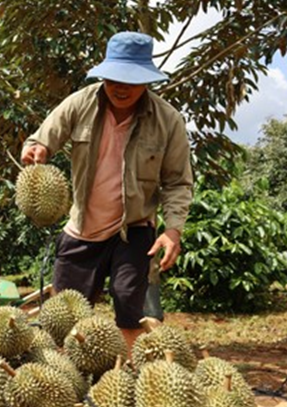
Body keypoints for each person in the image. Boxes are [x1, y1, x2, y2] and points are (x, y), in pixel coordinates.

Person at [21, 31, 193, 349]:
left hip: (134, 228)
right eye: (114, 77)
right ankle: (67, 379)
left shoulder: (168, 120)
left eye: (131, 79)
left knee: (130, 306)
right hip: (83, 227)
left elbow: (177, 182)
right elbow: (42, 138)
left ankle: (126, 370)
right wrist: (37, 149)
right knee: (64, 315)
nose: (120, 87)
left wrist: (173, 231)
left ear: (147, 81)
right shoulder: (81, 103)